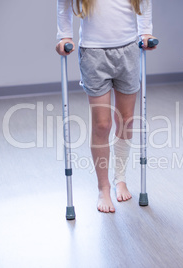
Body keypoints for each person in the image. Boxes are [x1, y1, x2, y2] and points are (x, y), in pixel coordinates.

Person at [55, 0, 157, 213]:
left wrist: (145, 32)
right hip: (93, 53)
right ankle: (103, 187)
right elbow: (64, 3)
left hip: (128, 50)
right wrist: (64, 35)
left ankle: (120, 178)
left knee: (126, 120)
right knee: (102, 125)